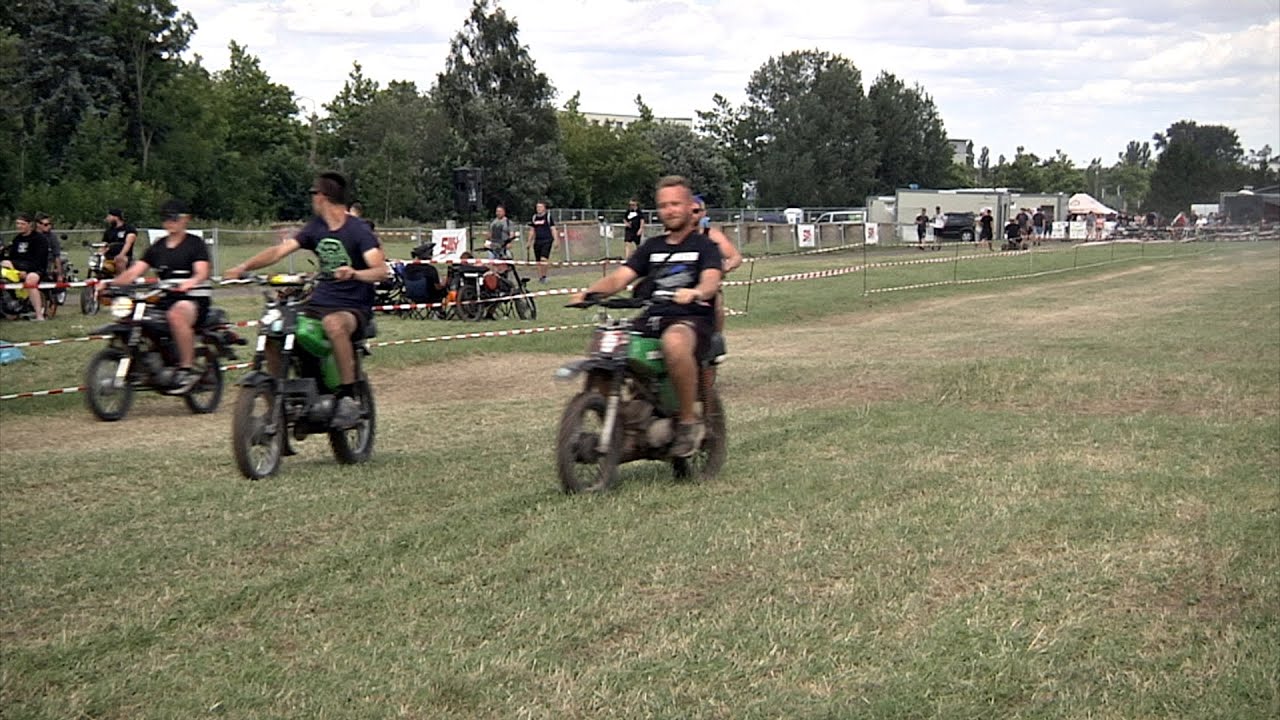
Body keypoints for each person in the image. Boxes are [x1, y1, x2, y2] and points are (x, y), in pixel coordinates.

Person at [571, 175, 723, 458]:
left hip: (692, 318)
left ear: (691, 207)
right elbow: (620, 277)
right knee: (603, 349)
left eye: (676, 203)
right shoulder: (651, 247)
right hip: (653, 317)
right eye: (664, 205)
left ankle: (688, 423)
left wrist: (696, 292)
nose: (669, 210)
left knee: (674, 342)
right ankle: (619, 429)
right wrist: (589, 294)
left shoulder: (705, 246)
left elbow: (712, 281)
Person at [225, 172, 389, 429]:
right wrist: (243, 267)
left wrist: (355, 272)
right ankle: (279, 398)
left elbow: (381, 270)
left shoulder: (357, 230)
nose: (312, 199)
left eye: (314, 193)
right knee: (274, 328)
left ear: (323, 196)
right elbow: (279, 251)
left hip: (352, 306)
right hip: (318, 302)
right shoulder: (315, 227)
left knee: (334, 324)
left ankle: (347, 396)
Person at [100, 199, 212, 394]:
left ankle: (186, 368)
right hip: (165, 297)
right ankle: (148, 362)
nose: (170, 223)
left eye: (175, 218)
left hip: (193, 298)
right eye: (167, 218)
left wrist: (189, 283)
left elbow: (202, 271)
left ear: (186, 219)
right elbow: (135, 271)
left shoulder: (195, 244)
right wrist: (110, 284)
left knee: (177, 314)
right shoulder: (158, 246)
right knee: (138, 316)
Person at [692, 195, 743, 334]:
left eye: (697, 211)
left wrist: (724, 267)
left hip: (707, 287)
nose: (694, 215)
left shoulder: (713, 235)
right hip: (678, 287)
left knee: (717, 305)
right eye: (690, 210)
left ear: (704, 213)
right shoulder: (673, 236)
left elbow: (735, 257)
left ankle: (716, 339)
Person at [3, 214, 50, 320]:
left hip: (35, 270)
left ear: (30, 225)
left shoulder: (39, 239)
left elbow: (39, 261)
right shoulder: (17, 239)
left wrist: (24, 270)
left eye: (22, 224)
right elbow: (11, 257)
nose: (19, 226)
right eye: (18, 223)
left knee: (30, 280)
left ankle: (39, 315)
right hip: (16, 269)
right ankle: (9, 307)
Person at [102, 208, 138, 277]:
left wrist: (121, 255)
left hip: (125, 256)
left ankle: (121, 281)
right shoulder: (109, 231)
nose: (107, 219)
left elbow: (128, 243)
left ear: (116, 217)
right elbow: (104, 245)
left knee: (120, 260)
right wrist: (100, 254)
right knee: (97, 262)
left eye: (109, 216)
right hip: (109, 256)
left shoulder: (129, 229)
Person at [526, 201, 555, 283]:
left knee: (543, 259)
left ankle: (544, 276)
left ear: (544, 208)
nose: (538, 209)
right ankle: (540, 277)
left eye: (540, 207)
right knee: (538, 261)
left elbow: (553, 229)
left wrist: (556, 240)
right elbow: (532, 230)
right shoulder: (534, 217)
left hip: (547, 240)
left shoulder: (548, 217)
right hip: (537, 241)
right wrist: (529, 242)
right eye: (537, 207)